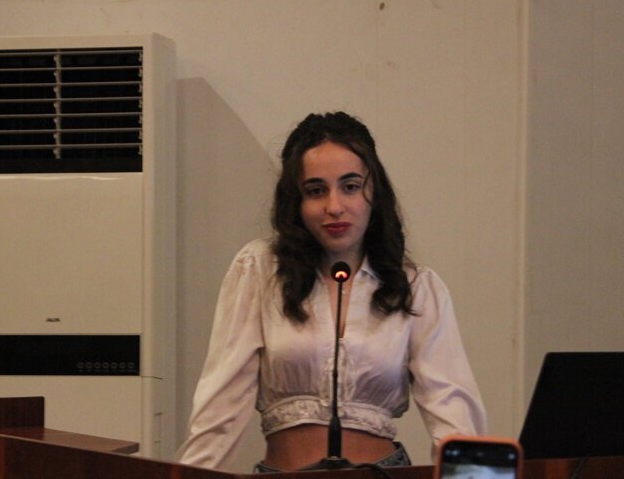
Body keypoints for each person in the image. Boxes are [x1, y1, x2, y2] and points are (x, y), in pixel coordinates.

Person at [177, 112, 486, 472]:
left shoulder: (417, 287)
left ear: (373, 192)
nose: (334, 207)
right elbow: (221, 406)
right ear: (296, 202)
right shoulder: (259, 270)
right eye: (316, 191)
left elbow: (454, 412)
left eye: (350, 186)